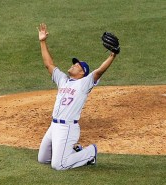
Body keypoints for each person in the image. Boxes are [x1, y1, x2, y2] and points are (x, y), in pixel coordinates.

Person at [36, 23, 118, 170]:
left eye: (77, 65)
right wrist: (42, 41)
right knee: (43, 159)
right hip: (53, 126)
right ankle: (73, 151)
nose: (73, 65)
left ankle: (90, 152)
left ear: (82, 73)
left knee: (58, 165)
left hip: (67, 128)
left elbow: (99, 71)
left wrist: (112, 55)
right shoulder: (63, 80)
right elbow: (49, 64)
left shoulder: (84, 84)